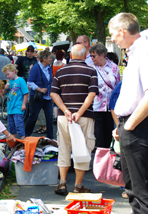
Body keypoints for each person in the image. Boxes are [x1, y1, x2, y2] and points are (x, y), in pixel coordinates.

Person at [109, 12, 148, 214]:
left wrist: (129, 125)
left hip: (137, 126)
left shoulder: (144, 51)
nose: (112, 38)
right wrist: (124, 126)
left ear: (122, 31)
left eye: (113, 34)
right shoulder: (141, 50)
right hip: (134, 125)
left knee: (143, 191)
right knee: (134, 189)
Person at [50, 44, 98, 195]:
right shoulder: (91, 71)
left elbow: (54, 93)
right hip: (84, 116)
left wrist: (66, 110)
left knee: (64, 148)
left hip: (64, 117)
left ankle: (62, 183)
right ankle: (78, 186)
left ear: (70, 55)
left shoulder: (61, 71)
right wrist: (79, 112)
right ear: (86, 56)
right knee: (83, 149)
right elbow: (91, 94)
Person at [89, 43, 121, 148]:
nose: (92, 58)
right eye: (91, 56)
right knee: (98, 134)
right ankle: (99, 158)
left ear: (102, 55)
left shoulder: (114, 67)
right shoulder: (91, 68)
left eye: (94, 56)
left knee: (109, 133)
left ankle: (107, 157)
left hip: (110, 106)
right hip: (96, 105)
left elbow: (117, 86)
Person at [25, 50, 54, 139]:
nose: (51, 59)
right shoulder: (35, 68)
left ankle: (50, 137)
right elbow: (29, 82)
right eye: (49, 57)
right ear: (44, 59)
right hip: (37, 96)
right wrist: (40, 89)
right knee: (33, 116)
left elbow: (51, 82)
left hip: (48, 97)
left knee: (49, 117)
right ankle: (26, 135)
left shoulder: (49, 68)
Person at [2, 64, 29, 140]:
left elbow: (26, 93)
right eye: (6, 75)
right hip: (10, 108)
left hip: (18, 107)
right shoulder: (9, 82)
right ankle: (14, 143)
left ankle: (23, 141)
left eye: (8, 74)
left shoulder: (20, 80)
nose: (7, 76)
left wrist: (23, 104)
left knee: (19, 125)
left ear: (13, 71)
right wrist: (5, 88)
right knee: (11, 126)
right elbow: (3, 94)